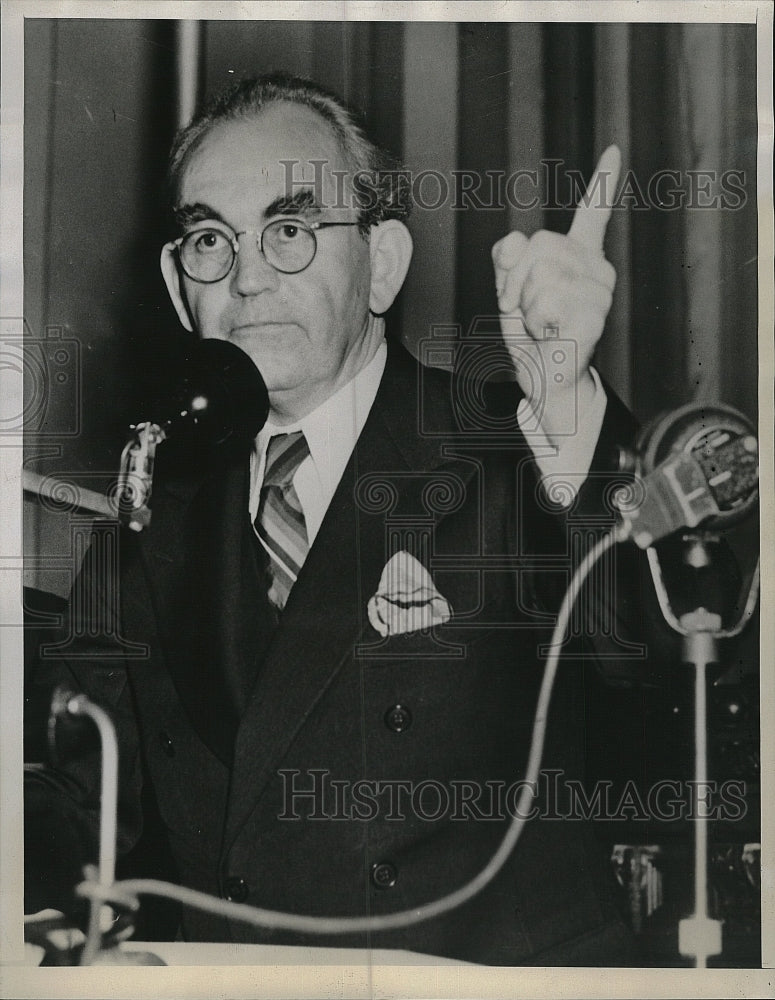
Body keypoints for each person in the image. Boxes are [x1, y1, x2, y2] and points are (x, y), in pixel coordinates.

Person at [25, 72, 647, 965]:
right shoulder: (151, 505)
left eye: (288, 231)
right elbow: (82, 788)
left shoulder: (511, 446)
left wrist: (569, 402)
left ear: (382, 263)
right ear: (175, 282)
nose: (244, 279)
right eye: (208, 239)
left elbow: (669, 647)